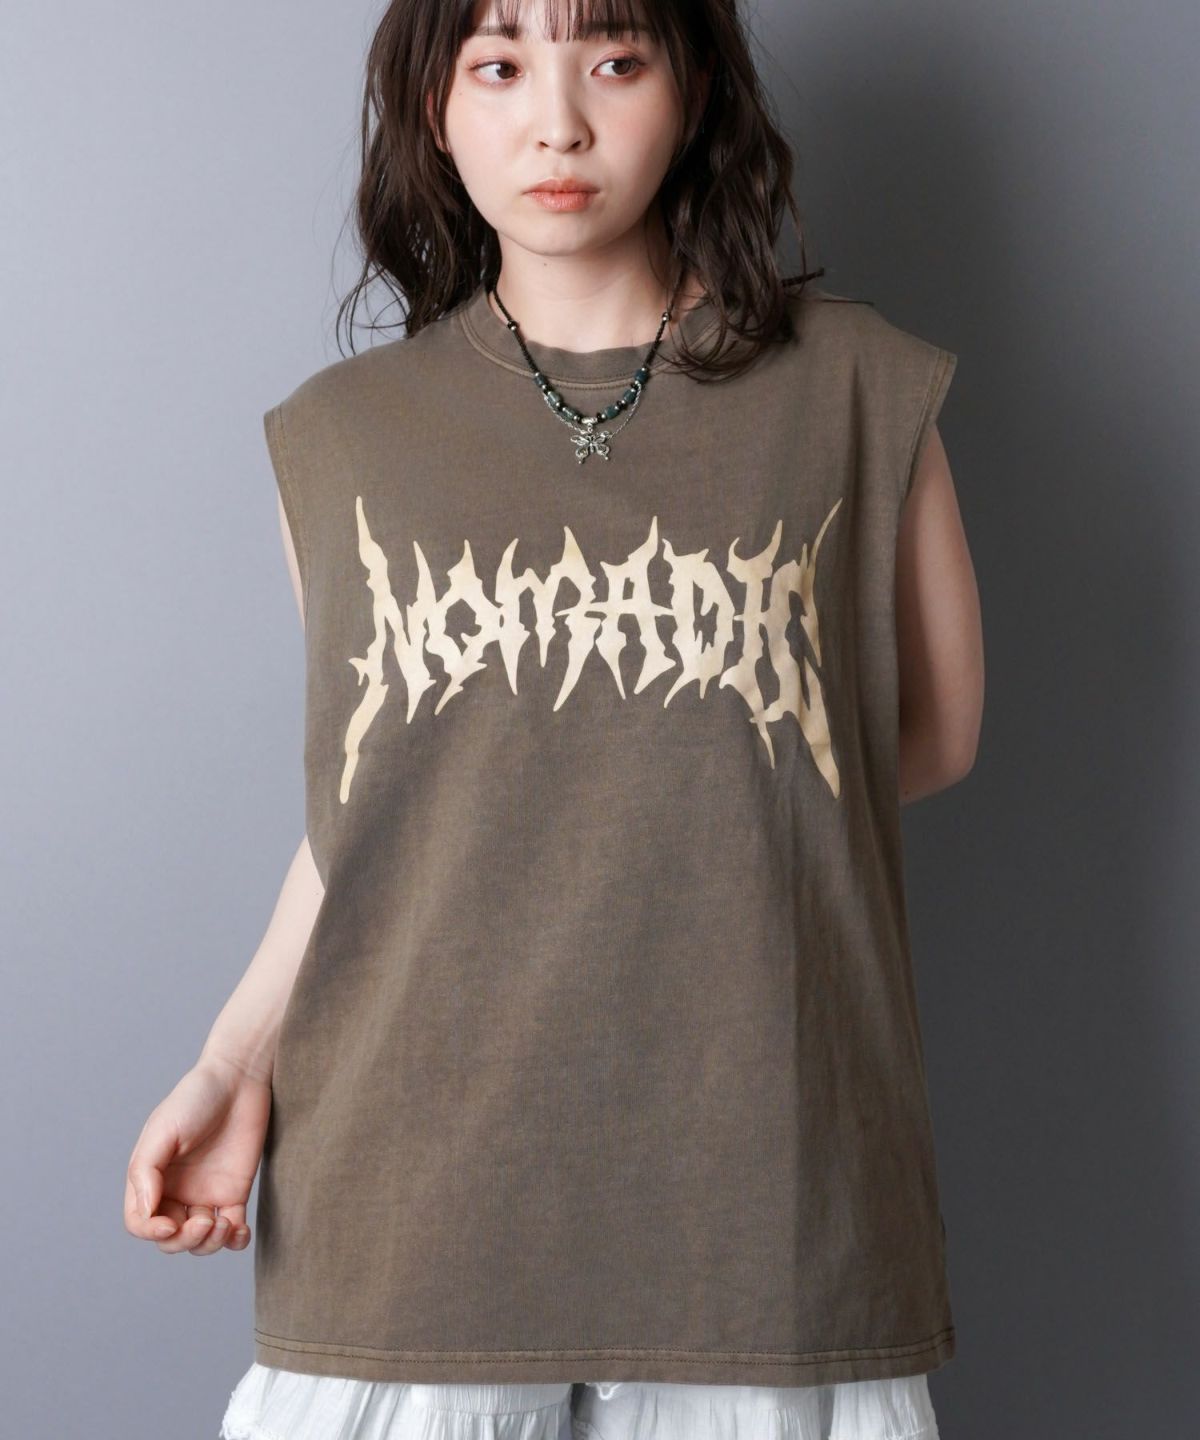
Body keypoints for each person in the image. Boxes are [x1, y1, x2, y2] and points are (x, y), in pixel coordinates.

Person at [123, 1, 984, 1437]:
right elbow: (375, 809)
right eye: (501, 66)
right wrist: (234, 1061)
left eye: (615, 61)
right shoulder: (345, 437)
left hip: (764, 1183)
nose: (558, 122)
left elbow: (937, 729)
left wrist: (655, 788)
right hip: (413, 1189)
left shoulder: (854, 390)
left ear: (692, 89)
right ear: (435, 106)